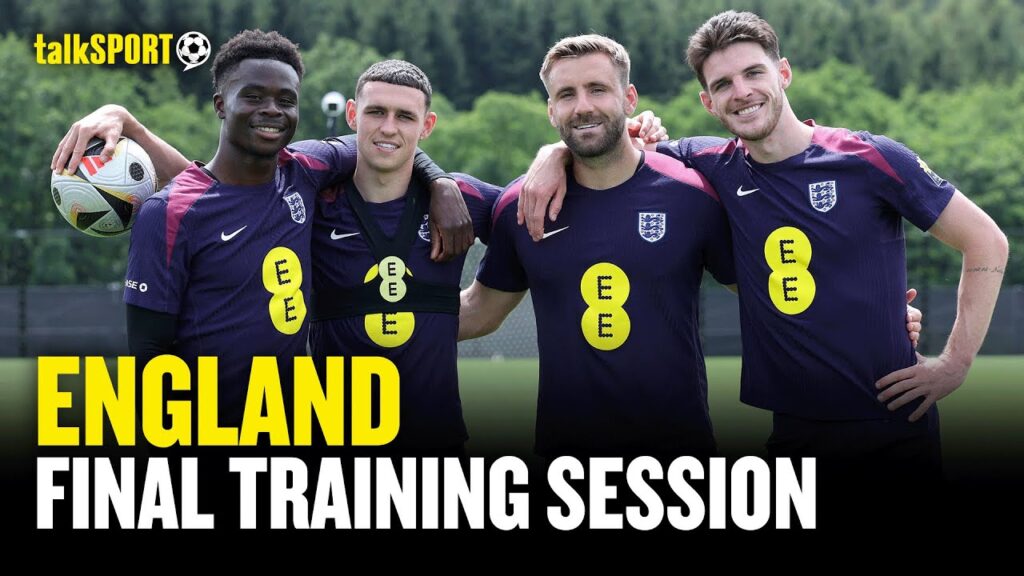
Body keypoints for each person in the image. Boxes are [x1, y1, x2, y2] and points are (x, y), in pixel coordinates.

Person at [518, 13, 1007, 485]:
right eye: (723, 84)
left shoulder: (867, 157)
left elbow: (986, 241)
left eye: (753, 73)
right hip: (792, 439)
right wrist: (552, 154)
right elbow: (605, 147)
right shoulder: (709, 167)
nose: (742, 92)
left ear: (783, 73)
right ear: (708, 102)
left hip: (893, 428)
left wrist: (954, 364)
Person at [50, 30, 474, 427]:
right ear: (221, 104)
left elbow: (382, 142)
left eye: (286, 100)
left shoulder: (305, 169)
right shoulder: (167, 212)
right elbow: (148, 356)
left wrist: (439, 181)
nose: (272, 109)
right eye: (253, 96)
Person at [458, 35, 737, 458]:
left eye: (597, 89)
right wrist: (369, 319)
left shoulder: (691, 193)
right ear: (551, 111)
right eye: (566, 95)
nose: (583, 106)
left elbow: (759, 294)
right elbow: (479, 312)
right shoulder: (523, 205)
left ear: (629, 98)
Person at [308, 60, 501, 454]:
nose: (389, 128)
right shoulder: (313, 201)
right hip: (333, 446)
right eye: (376, 112)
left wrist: (557, 157)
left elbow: (538, 212)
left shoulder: (464, 199)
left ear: (427, 126)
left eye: (405, 116)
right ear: (352, 115)